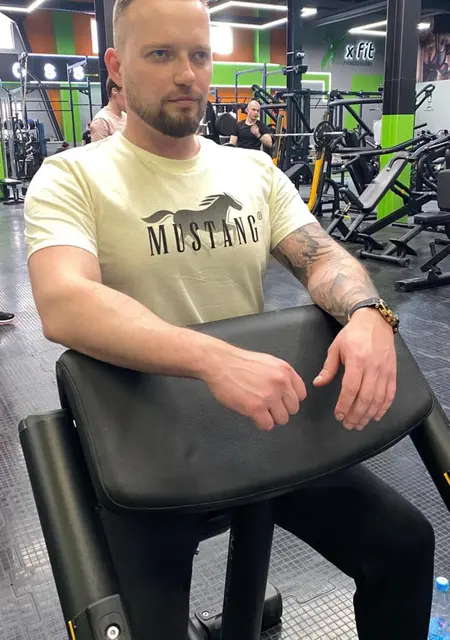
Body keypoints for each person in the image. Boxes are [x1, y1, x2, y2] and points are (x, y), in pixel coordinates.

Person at [23, 0, 434, 639]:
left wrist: (368, 312)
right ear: (117, 67)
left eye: (199, 54)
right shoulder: (71, 177)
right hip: (145, 439)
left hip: (259, 421)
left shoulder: (250, 170)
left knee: (405, 547)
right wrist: (212, 359)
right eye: (161, 54)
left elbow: (322, 256)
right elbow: (64, 300)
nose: (186, 74)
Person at [90, 77, 127, 142]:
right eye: (127, 93)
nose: (130, 98)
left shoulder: (126, 116)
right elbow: (100, 148)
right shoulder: (101, 121)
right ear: (114, 91)